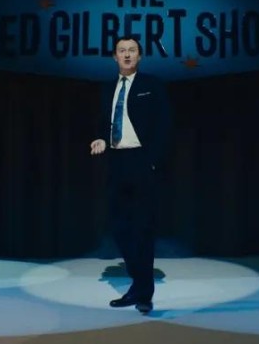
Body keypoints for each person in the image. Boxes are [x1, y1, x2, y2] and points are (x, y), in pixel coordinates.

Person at [89, 36, 172, 314]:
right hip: (117, 162)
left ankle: (144, 292)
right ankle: (138, 283)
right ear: (114, 57)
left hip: (142, 161)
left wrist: (153, 162)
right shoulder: (107, 88)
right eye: (122, 51)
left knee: (143, 228)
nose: (127, 55)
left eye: (132, 51)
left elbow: (164, 125)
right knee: (119, 227)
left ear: (140, 56)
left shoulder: (152, 85)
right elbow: (103, 122)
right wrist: (100, 138)